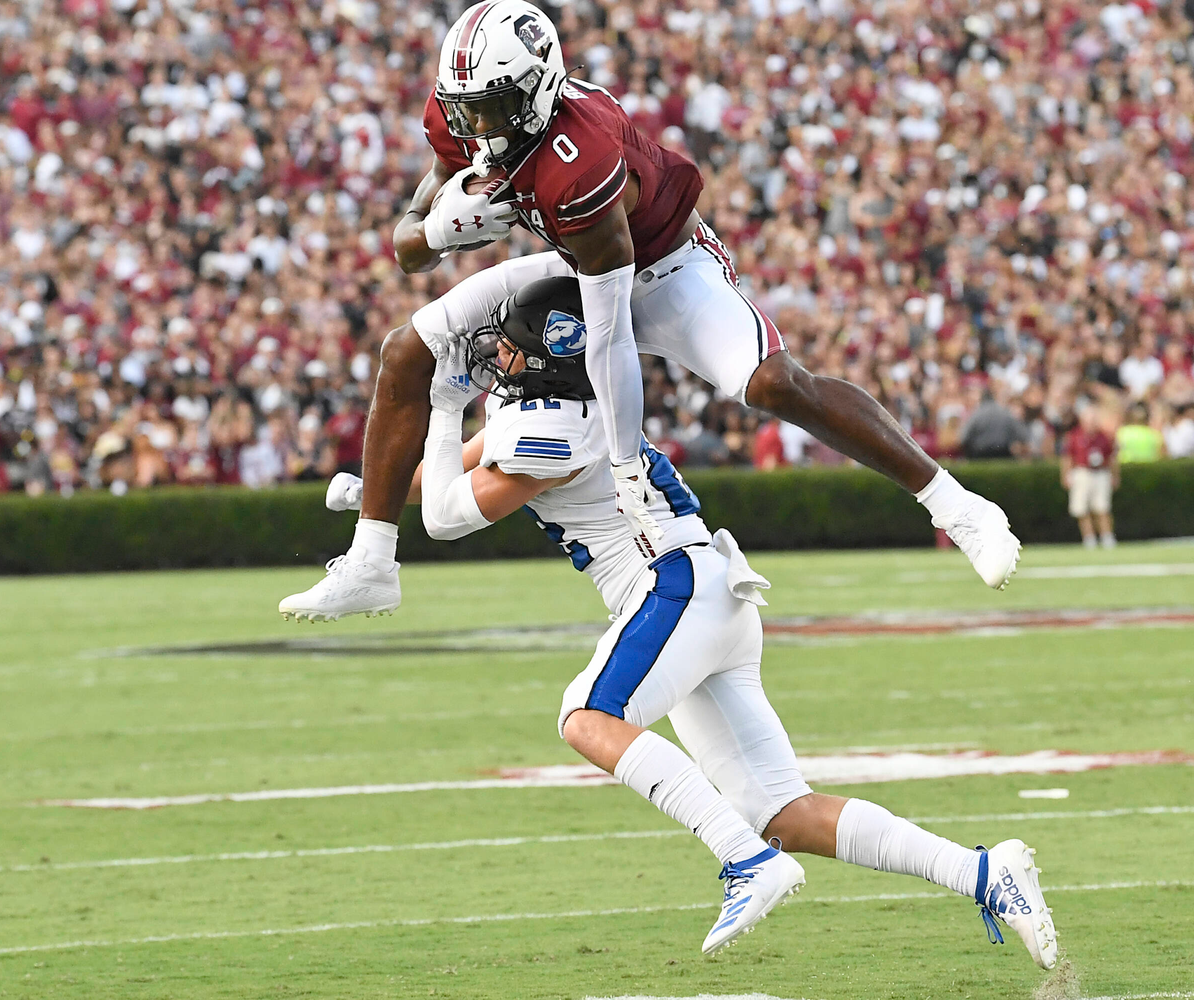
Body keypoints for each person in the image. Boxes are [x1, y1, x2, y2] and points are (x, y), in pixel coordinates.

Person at [298, 278, 1058, 967]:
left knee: (588, 718)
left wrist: (435, 402)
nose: (495, 353)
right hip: (706, 591)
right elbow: (442, 476)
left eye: (510, 344)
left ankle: (742, 862)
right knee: (784, 812)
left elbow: (445, 519)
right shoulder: (558, 408)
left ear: (547, 358)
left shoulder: (553, 430)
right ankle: (985, 874)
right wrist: (372, 486)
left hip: (671, 587)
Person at [278, 0, 1022, 622]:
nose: (479, 128)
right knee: (408, 349)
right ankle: (372, 562)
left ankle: (957, 506)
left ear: (538, 90)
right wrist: (436, 230)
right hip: (575, 260)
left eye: (495, 107)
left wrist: (629, 462)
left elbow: (608, 337)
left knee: (774, 385)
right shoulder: (471, 117)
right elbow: (407, 245)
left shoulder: (583, 156)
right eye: (468, 109)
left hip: (663, 269)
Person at [1061, 407, 1119, 548]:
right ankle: (1089, 538)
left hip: (1100, 472)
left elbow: (1112, 458)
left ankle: (1107, 537)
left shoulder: (1104, 436)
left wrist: (1115, 475)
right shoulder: (1074, 436)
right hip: (1082, 472)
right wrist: (1065, 475)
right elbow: (1067, 457)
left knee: (1102, 507)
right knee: (1081, 508)